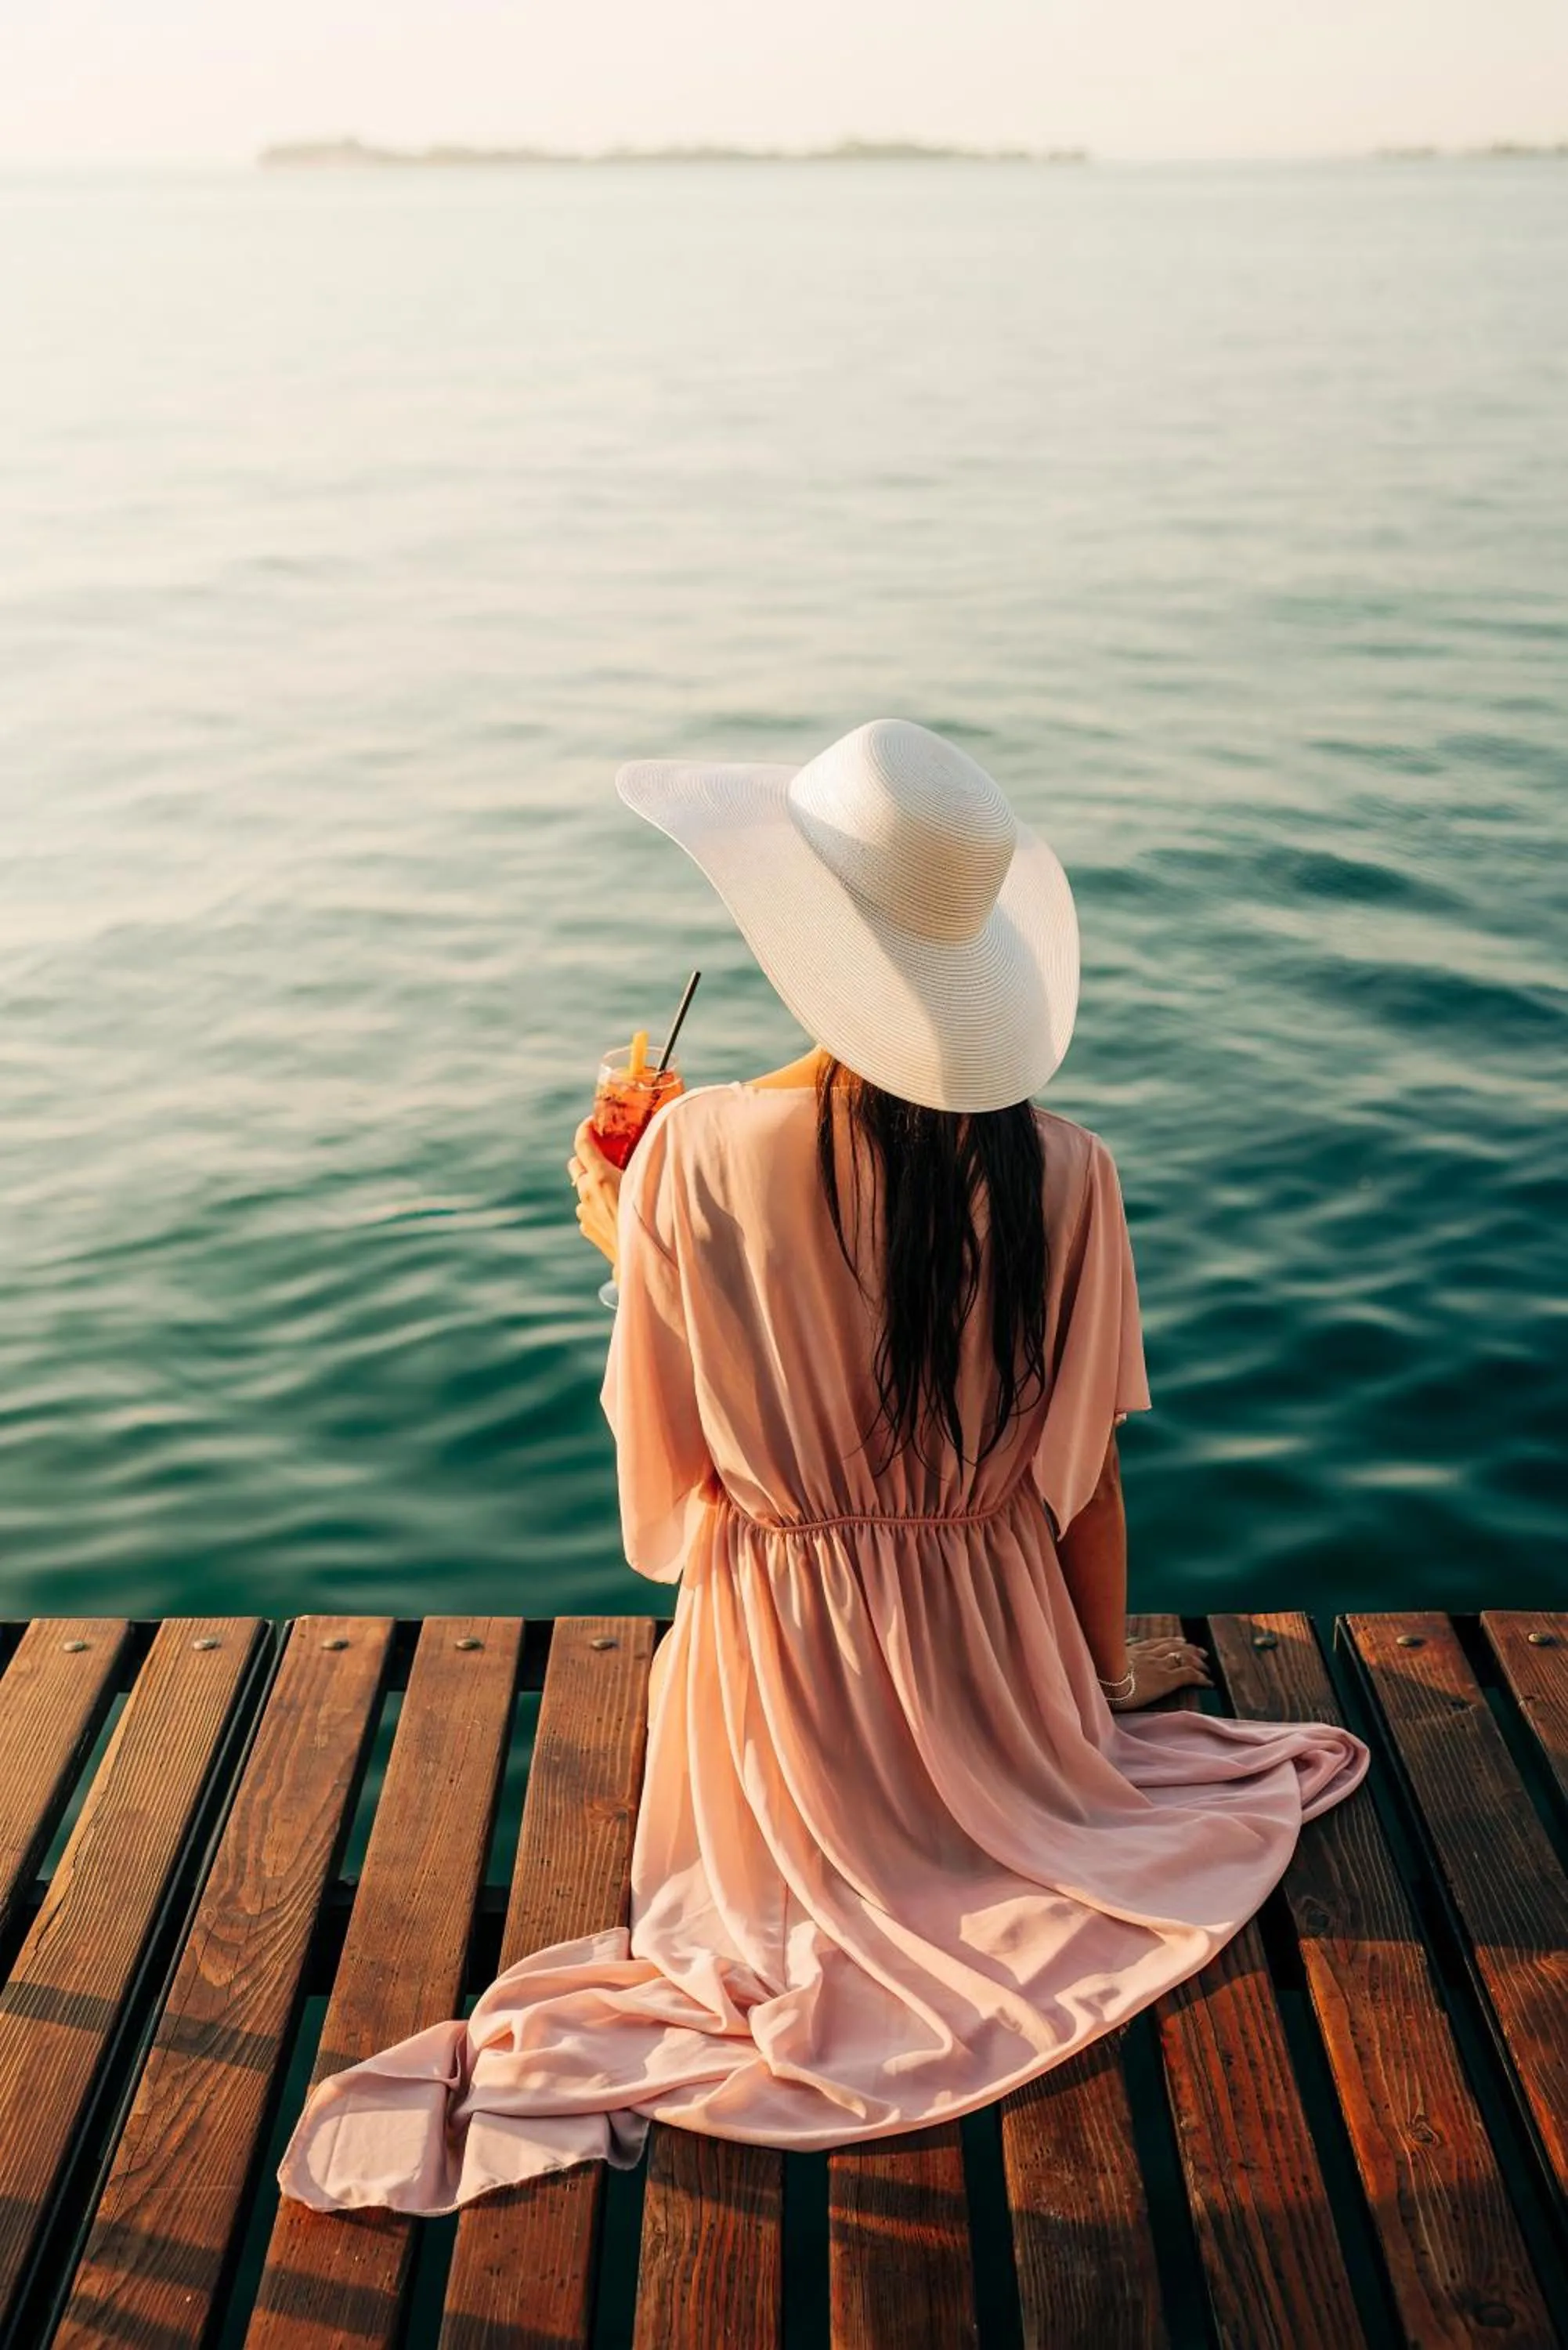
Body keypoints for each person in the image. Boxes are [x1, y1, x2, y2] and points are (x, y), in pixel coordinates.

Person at [276, 718, 1370, 2214]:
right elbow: (1088, 1487)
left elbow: (681, 1480)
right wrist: (1086, 1708)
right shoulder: (1071, 1168)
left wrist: (628, 1233)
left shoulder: (692, 1153)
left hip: (779, 1679)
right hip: (998, 1662)